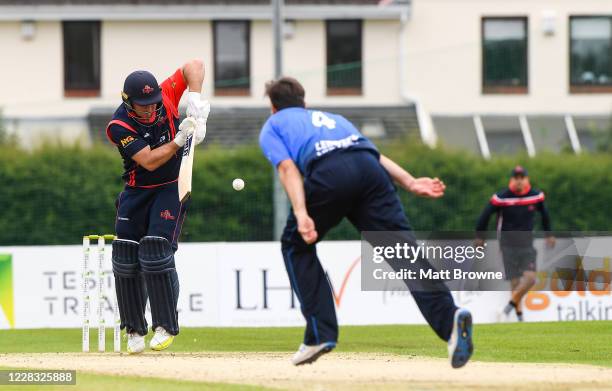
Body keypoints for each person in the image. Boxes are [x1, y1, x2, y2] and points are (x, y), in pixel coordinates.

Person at [258, 77, 473, 368]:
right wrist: (410, 181)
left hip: (329, 174)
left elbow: (287, 168)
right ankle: (450, 321)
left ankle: (320, 334)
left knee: (295, 245)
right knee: (404, 252)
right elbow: (372, 154)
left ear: (273, 108)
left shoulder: (273, 126)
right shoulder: (334, 119)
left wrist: (300, 213)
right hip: (370, 172)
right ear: (304, 103)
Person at [105, 60, 210, 354]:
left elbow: (194, 66)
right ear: (128, 103)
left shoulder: (164, 94)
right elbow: (149, 160)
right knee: (125, 256)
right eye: (144, 106)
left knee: (155, 249)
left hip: (170, 188)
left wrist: (195, 101)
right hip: (137, 190)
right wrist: (180, 139)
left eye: (154, 104)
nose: (152, 110)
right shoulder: (119, 125)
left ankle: (164, 325)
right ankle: (134, 329)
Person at [475, 166, 555, 322]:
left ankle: (507, 309)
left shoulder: (536, 196)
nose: (519, 181)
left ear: (526, 179)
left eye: (522, 177)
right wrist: (480, 236)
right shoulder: (501, 197)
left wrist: (549, 234)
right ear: (511, 180)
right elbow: (485, 216)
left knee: (531, 279)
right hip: (507, 245)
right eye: (516, 178)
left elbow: (545, 216)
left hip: (527, 245)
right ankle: (519, 318)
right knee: (515, 281)